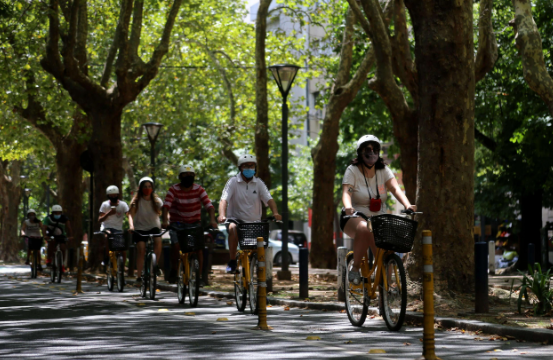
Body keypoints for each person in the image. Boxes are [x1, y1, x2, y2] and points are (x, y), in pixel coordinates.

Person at [341, 135, 416, 285]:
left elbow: (395, 188)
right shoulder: (353, 170)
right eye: (367, 149)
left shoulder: (384, 170)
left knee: (386, 253)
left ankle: (384, 297)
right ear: (360, 152)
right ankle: (355, 268)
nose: (371, 153)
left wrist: (408, 205)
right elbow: (346, 192)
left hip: (377, 218)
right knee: (364, 228)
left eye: (375, 149)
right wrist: (348, 206)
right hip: (355, 216)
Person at [218, 154, 282, 274]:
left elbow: (269, 199)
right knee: (232, 228)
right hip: (236, 220)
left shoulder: (259, 183)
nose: (248, 168)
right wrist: (222, 214)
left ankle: (258, 269)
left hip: (254, 222)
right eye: (245, 166)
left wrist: (276, 213)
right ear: (240, 168)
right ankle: (232, 261)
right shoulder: (233, 182)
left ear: (255, 167)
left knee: (259, 245)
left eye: (251, 165)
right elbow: (224, 200)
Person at [162, 164, 218, 283]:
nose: (188, 177)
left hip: (194, 223)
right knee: (176, 246)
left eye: (191, 175)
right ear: (180, 177)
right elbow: (166, 206)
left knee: (199, 249)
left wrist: (213, 220)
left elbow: (209, 206)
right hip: (177, 224)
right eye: (185, 175)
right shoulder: (173, 190)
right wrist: (165, 221)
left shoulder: (199, 189)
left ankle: (200, 277)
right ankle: (174, 269)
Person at [129, 177, 163, 283]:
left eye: (149, 187)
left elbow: (166, 211)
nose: (147, 189)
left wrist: (168, 220)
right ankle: (139, 276)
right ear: (140, 188)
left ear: (152, 188)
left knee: (158, 242)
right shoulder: (136, 201)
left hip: (154, 227)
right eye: (145, 187)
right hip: (140, 228)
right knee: (141, 250)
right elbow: (130, 215)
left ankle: (154, 265)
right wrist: (131, 226)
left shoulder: (157, 201)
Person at [98, 185, 130, 269]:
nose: (113, 197)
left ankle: (122, 267)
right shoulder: (104, 204)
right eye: (111, 196)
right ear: (108, 196)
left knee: (122, 248)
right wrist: (109, 213)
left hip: (118, 229)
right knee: (107, 236)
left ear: (118, 195)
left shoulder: (123, 205)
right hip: (106, 227)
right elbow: (100, 219)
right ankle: (107, 258)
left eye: (115, 195)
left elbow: (129, 215)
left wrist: (131, 226)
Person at [42, 205, 73, 269]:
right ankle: (49, 259)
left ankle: (62, 264)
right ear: (52, 213)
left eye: (59, 213)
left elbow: (69, 227)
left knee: (63, 248)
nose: (57, 214)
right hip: (51, 234)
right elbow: (44, 227)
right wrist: (45, 236)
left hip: (61, 235)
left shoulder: (64, 218)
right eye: (55, 213)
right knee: (51, 243)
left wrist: (70, 236)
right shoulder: (48, 218)